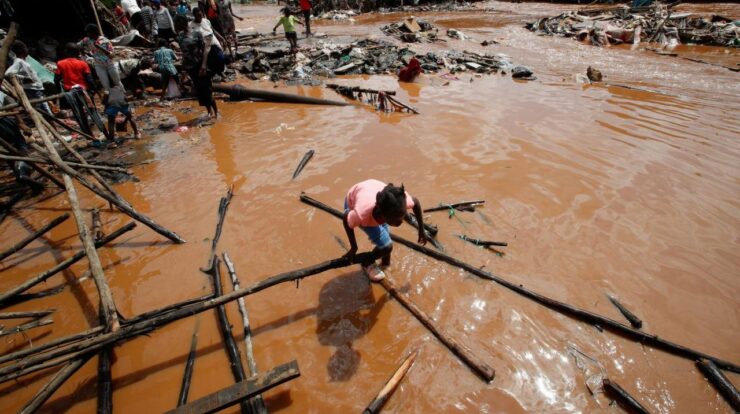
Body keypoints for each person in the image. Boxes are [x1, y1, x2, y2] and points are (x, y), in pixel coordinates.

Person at [342, 180, 427, 281]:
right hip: (352, 200)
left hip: (370, 188)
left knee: (386, 242)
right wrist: (353, 248)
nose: (401, 222)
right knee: (387, 246)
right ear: (382, 214)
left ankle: (385, 263)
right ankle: (367, 262)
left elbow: (416, 202)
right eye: (396, 219)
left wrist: (421, 230)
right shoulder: (362, 215)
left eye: (402, 216)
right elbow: (346, 218)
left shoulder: (399, 201)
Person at [178, 16, 218, 118]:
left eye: (177, 23)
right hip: (190, 67)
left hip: (200, 66)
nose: (176, 26)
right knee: (200, 92)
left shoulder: (196, 34)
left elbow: (204, 50)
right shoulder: (180, 36)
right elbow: (184, 53)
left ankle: (216, 113)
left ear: (184, 23)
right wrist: (183, 70)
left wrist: (204, 65)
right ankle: (209, 112)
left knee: (207, 90)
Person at [5, 41, 50, 113]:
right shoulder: (18, 61)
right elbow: (8, 73)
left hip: (35, 89)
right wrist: (24, 78)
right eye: (25, 48)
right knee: (44, 109)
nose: (27, 49)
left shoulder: (23, 61)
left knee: (43, 109)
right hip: (32, 89)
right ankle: (52, 122)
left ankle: (51, 121)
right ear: (22, 50)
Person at [78, 23, 123, 92]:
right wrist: (83, 52)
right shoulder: (87, 40)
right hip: (99, 65)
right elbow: (78, 45)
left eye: (89, 33)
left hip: (109, 64)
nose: (88, 34)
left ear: (94, 32)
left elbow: (112, 55)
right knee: (105, 84)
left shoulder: (104, 40)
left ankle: (124, 96)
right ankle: (110, 99)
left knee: (117, 82)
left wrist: (99, 47)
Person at [190, 6, 225, 75]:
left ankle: (220, 71)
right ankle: (213, 74)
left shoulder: (206, 21)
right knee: (210, 61)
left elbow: (213, 30)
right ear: (194, 16)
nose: (200, 17)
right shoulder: (191, 25)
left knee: (221, 58)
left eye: (201, 15)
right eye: (198, 16)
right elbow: (192, 38)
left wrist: (222, 38)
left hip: (214, 43)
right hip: (204, 47)